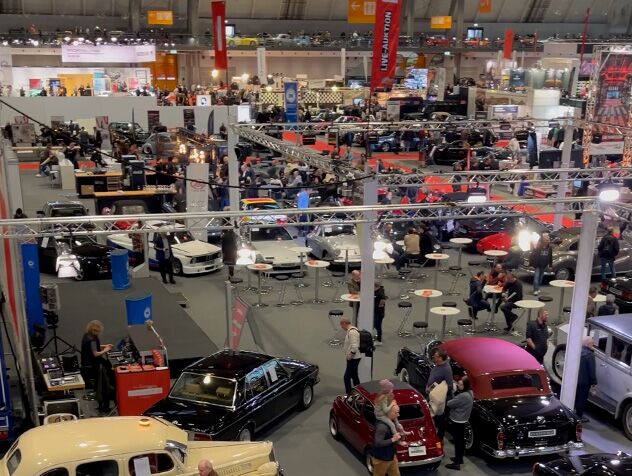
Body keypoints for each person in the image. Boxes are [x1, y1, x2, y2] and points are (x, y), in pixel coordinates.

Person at [81, 320, 114, 412]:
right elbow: (95, 353)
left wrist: (104, 346)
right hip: (93, 365)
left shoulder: (86, 336)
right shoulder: (92, 339)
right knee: (104, 385)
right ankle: (105, 406)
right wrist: (106, 350)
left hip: (86, 363)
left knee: (99, 385)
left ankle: (101, 404)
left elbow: (93, 346)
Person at [445, 376, 474, 471]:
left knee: (458, 442)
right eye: (458, 383)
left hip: (457, 420)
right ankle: (459, 458)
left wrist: (452, 394)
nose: (458, 385)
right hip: (463, 419)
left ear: (465, 385)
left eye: (461, 384)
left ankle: (456, 463)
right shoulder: (470, 393)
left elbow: (449, 403)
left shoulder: (463, 396)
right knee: (461, 440)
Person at [426, 348, 453, 440]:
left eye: (436, 356)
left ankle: (439, 438)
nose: (434, 357)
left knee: (441, 420)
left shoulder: (447, 369)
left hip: (441, 400)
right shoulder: (437, 366)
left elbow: (449, 386)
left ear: (441, 358)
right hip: (432, 396)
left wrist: (433, 390)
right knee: (434, 417)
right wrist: (428, 387)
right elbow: (434, 379)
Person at [371, 404, 402, 476]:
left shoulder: (392, 422)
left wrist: (400, 436)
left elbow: (394, 436)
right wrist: (393, 439)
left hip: (391, 457)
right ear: (389, 412)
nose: (398, 415)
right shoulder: (382, 427)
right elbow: (378, 443)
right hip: (381, 460)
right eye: (396, 412)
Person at [575, 337, 597, 423]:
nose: (593, 344)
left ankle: (572, 413)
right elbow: (592, 370)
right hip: (584, 381)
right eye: (592, 343)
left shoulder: (577, 351)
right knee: (582, 399)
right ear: (588, 344)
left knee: (575, 397)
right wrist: (594, 382)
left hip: (575, 379)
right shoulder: (590, 355)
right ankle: (578, 416)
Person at [340, 317, 362, 393]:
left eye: (341, 325)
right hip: (354, 358)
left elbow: (355, 346)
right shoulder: (351, 331)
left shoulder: (352, 332)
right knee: (354, 376)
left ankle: (349, 394)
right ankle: (359, 392)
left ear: (344, 323)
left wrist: (350, 355)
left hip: (353, 358)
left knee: (346, 377)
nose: (342, 327)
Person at [373, 281, 386, 345]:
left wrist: (377, 306)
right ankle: (377, 336)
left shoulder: (380, 294)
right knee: (375, 325)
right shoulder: (379, 290)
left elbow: (382, 302)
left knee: (378, 326)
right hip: (377, 312)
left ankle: (379, 340)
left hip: (379, 313)